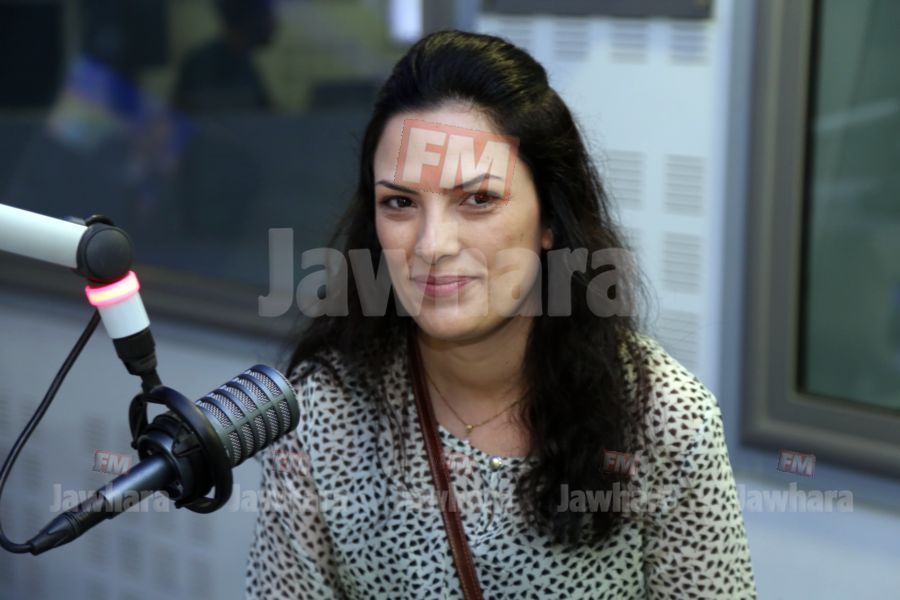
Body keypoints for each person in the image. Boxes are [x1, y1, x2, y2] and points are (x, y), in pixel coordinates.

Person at [246, 30, 756, 599]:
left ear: (549, 221)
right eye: (400, 203)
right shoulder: (323, 410)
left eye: (478, 200)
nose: (432, 244)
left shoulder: (663, 420)